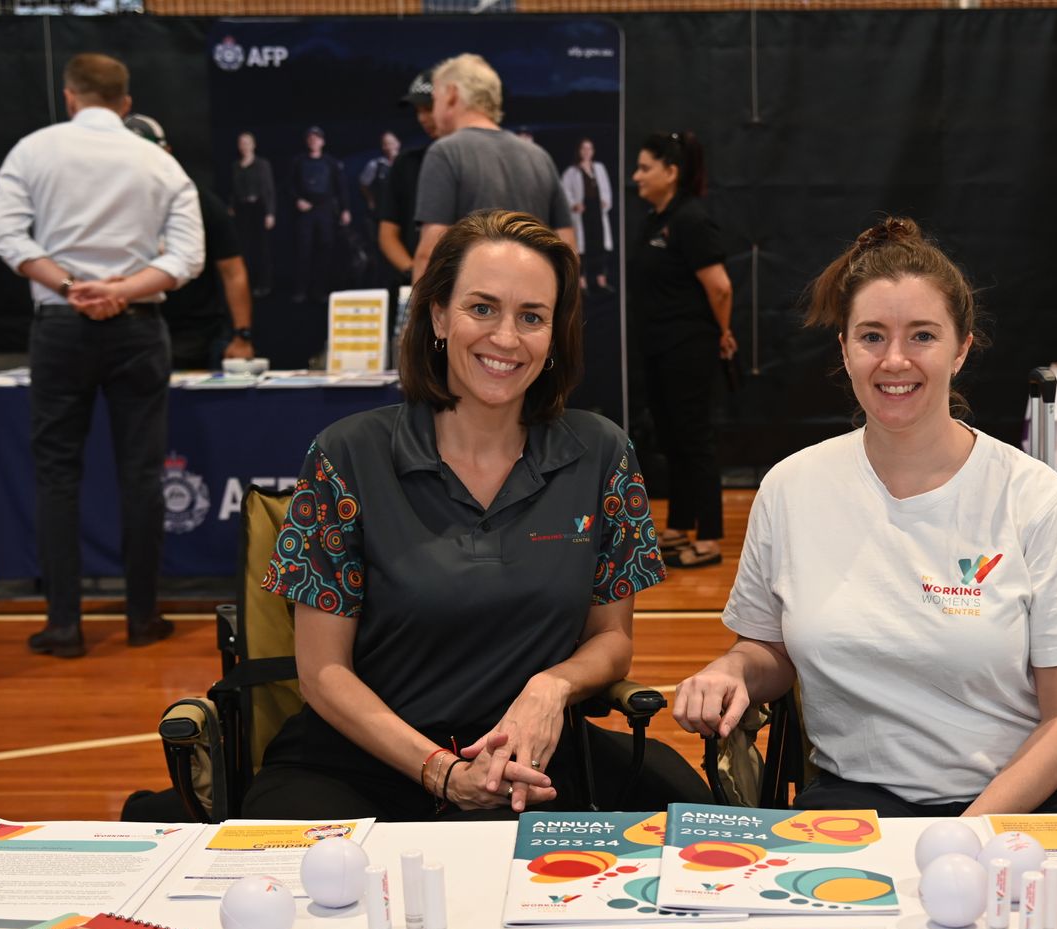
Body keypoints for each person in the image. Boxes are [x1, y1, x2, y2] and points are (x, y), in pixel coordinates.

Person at [245, 210, 700, 820]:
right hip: (361, 765)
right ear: (437, 316)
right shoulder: (344, 456)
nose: (506, 338)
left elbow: (612, 641)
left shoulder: (603, 454)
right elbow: (323, 672)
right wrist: (443, 772)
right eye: (482, 308)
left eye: (531, 317)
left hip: (534, 764)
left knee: (696, 825)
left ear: (553, 336)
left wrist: (552, 686)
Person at [672, 218, 1057, 818]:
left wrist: (965, 836)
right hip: (856, 803)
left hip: (1023, 801)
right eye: (871, 336)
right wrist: (732, 667)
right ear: (843, 347)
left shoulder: (1033, 499)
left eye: (922, 336)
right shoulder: (790, 488)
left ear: (961, 348)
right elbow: (772, 651)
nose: (894, 361)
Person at [0, 52, 204, 658]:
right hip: (136, 326)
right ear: (126, 102)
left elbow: (4, 234)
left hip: (60, 324)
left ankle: (63, 624)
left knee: (57, 475)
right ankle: (142, 618)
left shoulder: (33, 150)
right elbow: (188, 258)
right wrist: (119, 291)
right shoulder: (160, 162)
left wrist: (69, 288)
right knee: (141, 476)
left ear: (71, 96)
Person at [630, 131, 734, 570]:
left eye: (644, 167)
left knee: (694, 439)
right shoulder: (656, 218)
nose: (636, 176)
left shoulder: (690, 219)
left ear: (671, 173)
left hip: (687, 347)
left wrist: (723, 333)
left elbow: (720, 286)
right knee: (670, 437)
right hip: (657, 347)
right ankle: (677, 526)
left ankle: (708, 536)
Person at [408, 53, 574, 285]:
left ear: (452, 95)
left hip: (474, 311)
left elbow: (430, 253)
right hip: (532, 311)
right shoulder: (539, 157)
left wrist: (418, 319)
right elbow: (568, 247)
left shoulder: (445, 152)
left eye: (435, 100)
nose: (432, 113)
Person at [122, 114, 255, 370]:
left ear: (166, 152)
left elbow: (232, 270)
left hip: (192, 332)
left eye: (148, 154)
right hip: (127, 327)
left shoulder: (198, 201)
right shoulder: (106, 204)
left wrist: (242, 335)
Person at [374, 74, 440, 284]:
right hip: (419, 288)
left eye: (428, 108)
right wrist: (415, 274)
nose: (422, 118)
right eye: (418, 111)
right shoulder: (407, 163)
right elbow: (387, 234)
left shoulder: (479, 163)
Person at [288, 126, 348, 304]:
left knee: (325, 250)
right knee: (303, 250)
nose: (314, 141)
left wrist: (345, 209)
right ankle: (300, 290)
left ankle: (320, 290)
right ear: (307, 141)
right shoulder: (298, 161)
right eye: (311, 138)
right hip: (305, 212)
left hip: (325, 211)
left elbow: (341, 188)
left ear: (322, 141)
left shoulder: (331, 162)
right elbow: (289, 186)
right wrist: (297, 200)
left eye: (317, 138)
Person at [560, 137, 613, 293]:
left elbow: (606, 189)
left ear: (593, 151)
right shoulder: (572, 171)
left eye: (589, 149)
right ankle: (582, 283)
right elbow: (565, 191)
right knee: (583, 249)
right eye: (584, 148)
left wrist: (605, 201)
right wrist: (574, 204)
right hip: (582, 214)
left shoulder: (599, 168)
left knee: (599, 246)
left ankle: (601, 281)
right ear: (579, 151)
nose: (586, 152)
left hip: (597, 212)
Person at [229, 131, 274, 298]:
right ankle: (248, 283)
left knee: (261, 248)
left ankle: (264, 284)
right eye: (241, 143)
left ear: (253, 145)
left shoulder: (262, 164)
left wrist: (270, 213)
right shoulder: (236, 165)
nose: (244, 146)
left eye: (247, 142)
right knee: (244, 247)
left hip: (259, 208)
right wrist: (232, 206)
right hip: (242, 209)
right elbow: (233, 190)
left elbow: (269, 190)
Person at [360, 131, 400, 219]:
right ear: (383, 147)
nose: (390, 147)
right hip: (383, 210)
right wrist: (370, 199)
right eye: (386, 144)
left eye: (392, 143)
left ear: (398, 143)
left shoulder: (406, 162)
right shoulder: (375, 165)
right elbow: (363, 184)